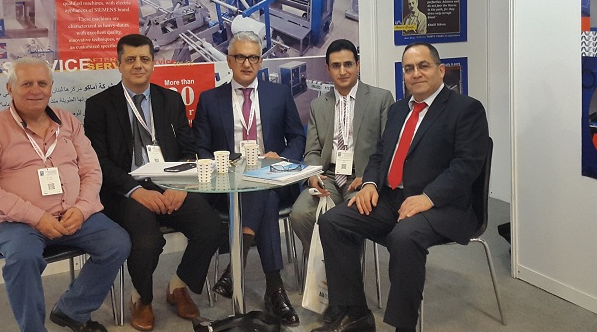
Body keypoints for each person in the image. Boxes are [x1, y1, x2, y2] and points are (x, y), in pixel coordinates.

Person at [313, 42, 489, 332]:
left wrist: (429, 197)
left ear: (441, 70)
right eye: (409, 69)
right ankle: (356, 315)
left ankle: (403, 327)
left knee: (404, 237)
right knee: (333, 221)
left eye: (423, 66)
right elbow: (380, 154)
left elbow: (467, 166)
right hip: (393, 198)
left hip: (441, 206)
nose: (415, 73)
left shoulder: (466, 109)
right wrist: (370, 183)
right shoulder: (398, 110)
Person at [0, 57, 131, 332]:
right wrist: (36, 216)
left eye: (42, 83)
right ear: (10, 88)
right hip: (14, 223)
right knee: (24, 256)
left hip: (72, 215)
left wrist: (81, 209)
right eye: (27, 84)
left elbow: (91, 171)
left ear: (51, 87)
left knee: (117, 242)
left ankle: (72, 311)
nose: (36, 90)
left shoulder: (68, 122)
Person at [84, 34, 223, 332]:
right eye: (130, 60)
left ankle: (178, 286)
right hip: (124, 190)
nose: (138, 65)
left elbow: (189, 151)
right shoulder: (99, 105)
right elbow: (98, 162)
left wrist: (180, 186)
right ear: (118, 64)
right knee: (147, 240)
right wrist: (135, 191)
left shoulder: (170, 99)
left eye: (144, 59)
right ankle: (142, 298)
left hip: (170, 183)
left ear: (153, 63)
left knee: (211, 227)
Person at [193, 30, 306, 327]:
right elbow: (201, 147)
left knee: (264, 191)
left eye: (253, 57)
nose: (247, 63)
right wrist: (221, 165)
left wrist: (282, 158)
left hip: (272, 178)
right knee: (264, 198)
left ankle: (236, 266)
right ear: (229, 60)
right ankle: (274, 289)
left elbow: (297, 137)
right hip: (229, 186)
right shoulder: (209, 99)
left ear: (261, 61)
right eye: (240, 57)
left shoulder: (279, 94)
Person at [289, 39, 394, 256]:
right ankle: (324, 263)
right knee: (300, 214)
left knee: (349, 218)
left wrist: (370, 178)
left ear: (358, 65)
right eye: (336, 66)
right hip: (328, 176)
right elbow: (312, 151)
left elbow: (389, 149)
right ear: (328, 69)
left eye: (348, 64)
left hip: (361, 178)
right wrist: (312, 175)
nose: (343, 71)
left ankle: (343, 269)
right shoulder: (318, 105)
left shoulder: (381, 99)